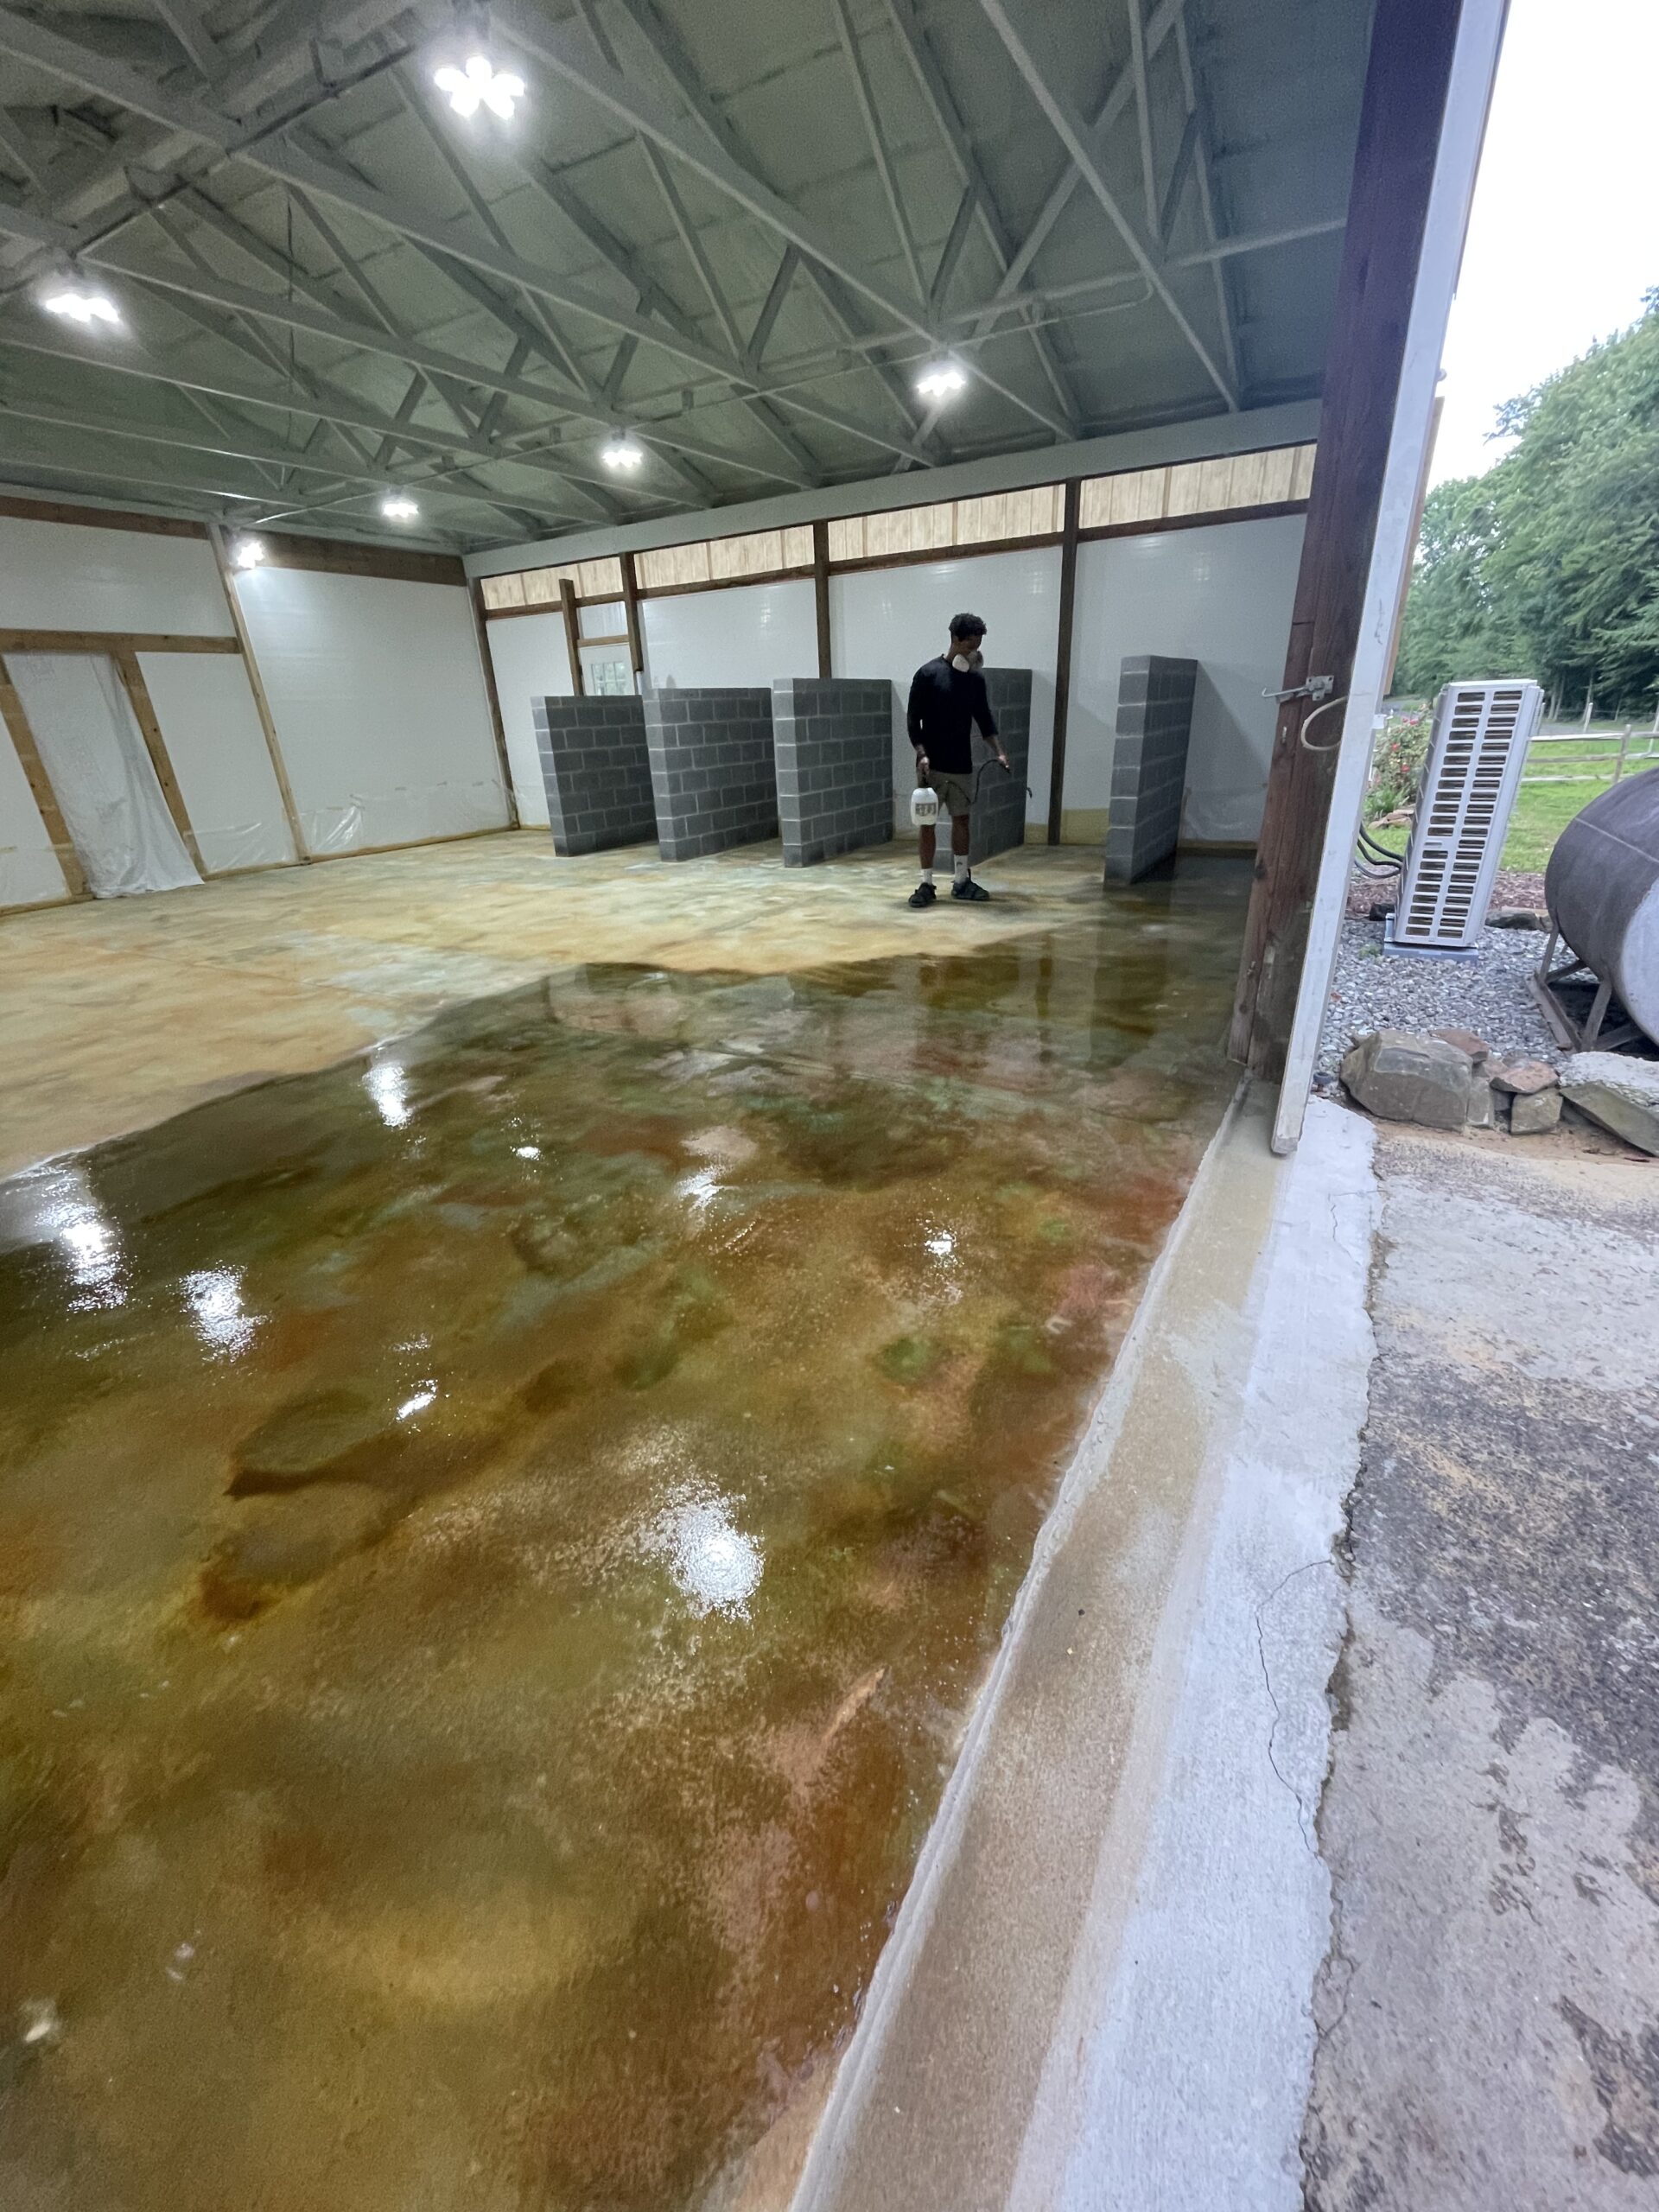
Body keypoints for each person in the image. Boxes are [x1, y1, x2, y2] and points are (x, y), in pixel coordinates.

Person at [905, 613, 1010, 907]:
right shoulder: (927, 674)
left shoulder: (974, 681)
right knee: (927, 823)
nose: (974, 652)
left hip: (961, 764)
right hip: (932, 766)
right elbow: (913, 720)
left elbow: (985, 721)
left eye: (977, 646)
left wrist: (999, 751)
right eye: (970, 646)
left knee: (962, 821)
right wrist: (922, 753)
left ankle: (962, 880)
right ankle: (926, 884)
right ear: (955, 640)